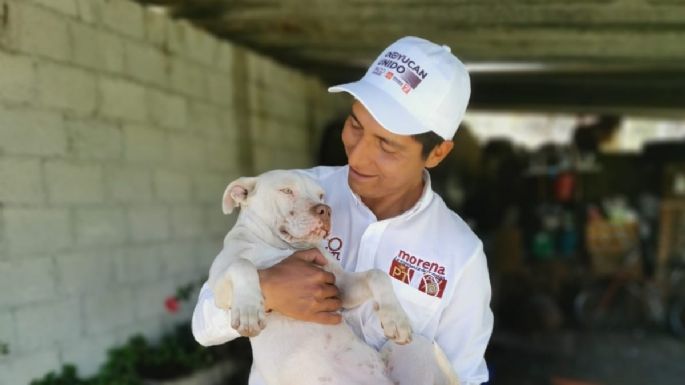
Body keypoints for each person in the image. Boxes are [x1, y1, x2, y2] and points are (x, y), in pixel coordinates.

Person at [192, 36, 493, 385]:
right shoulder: (297, 194)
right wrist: (268, 290)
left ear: (437, 153)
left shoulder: (461, 254)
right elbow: (204, 324)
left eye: (386, 145)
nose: (358, 155)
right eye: (355, 126)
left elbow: (464, 377)